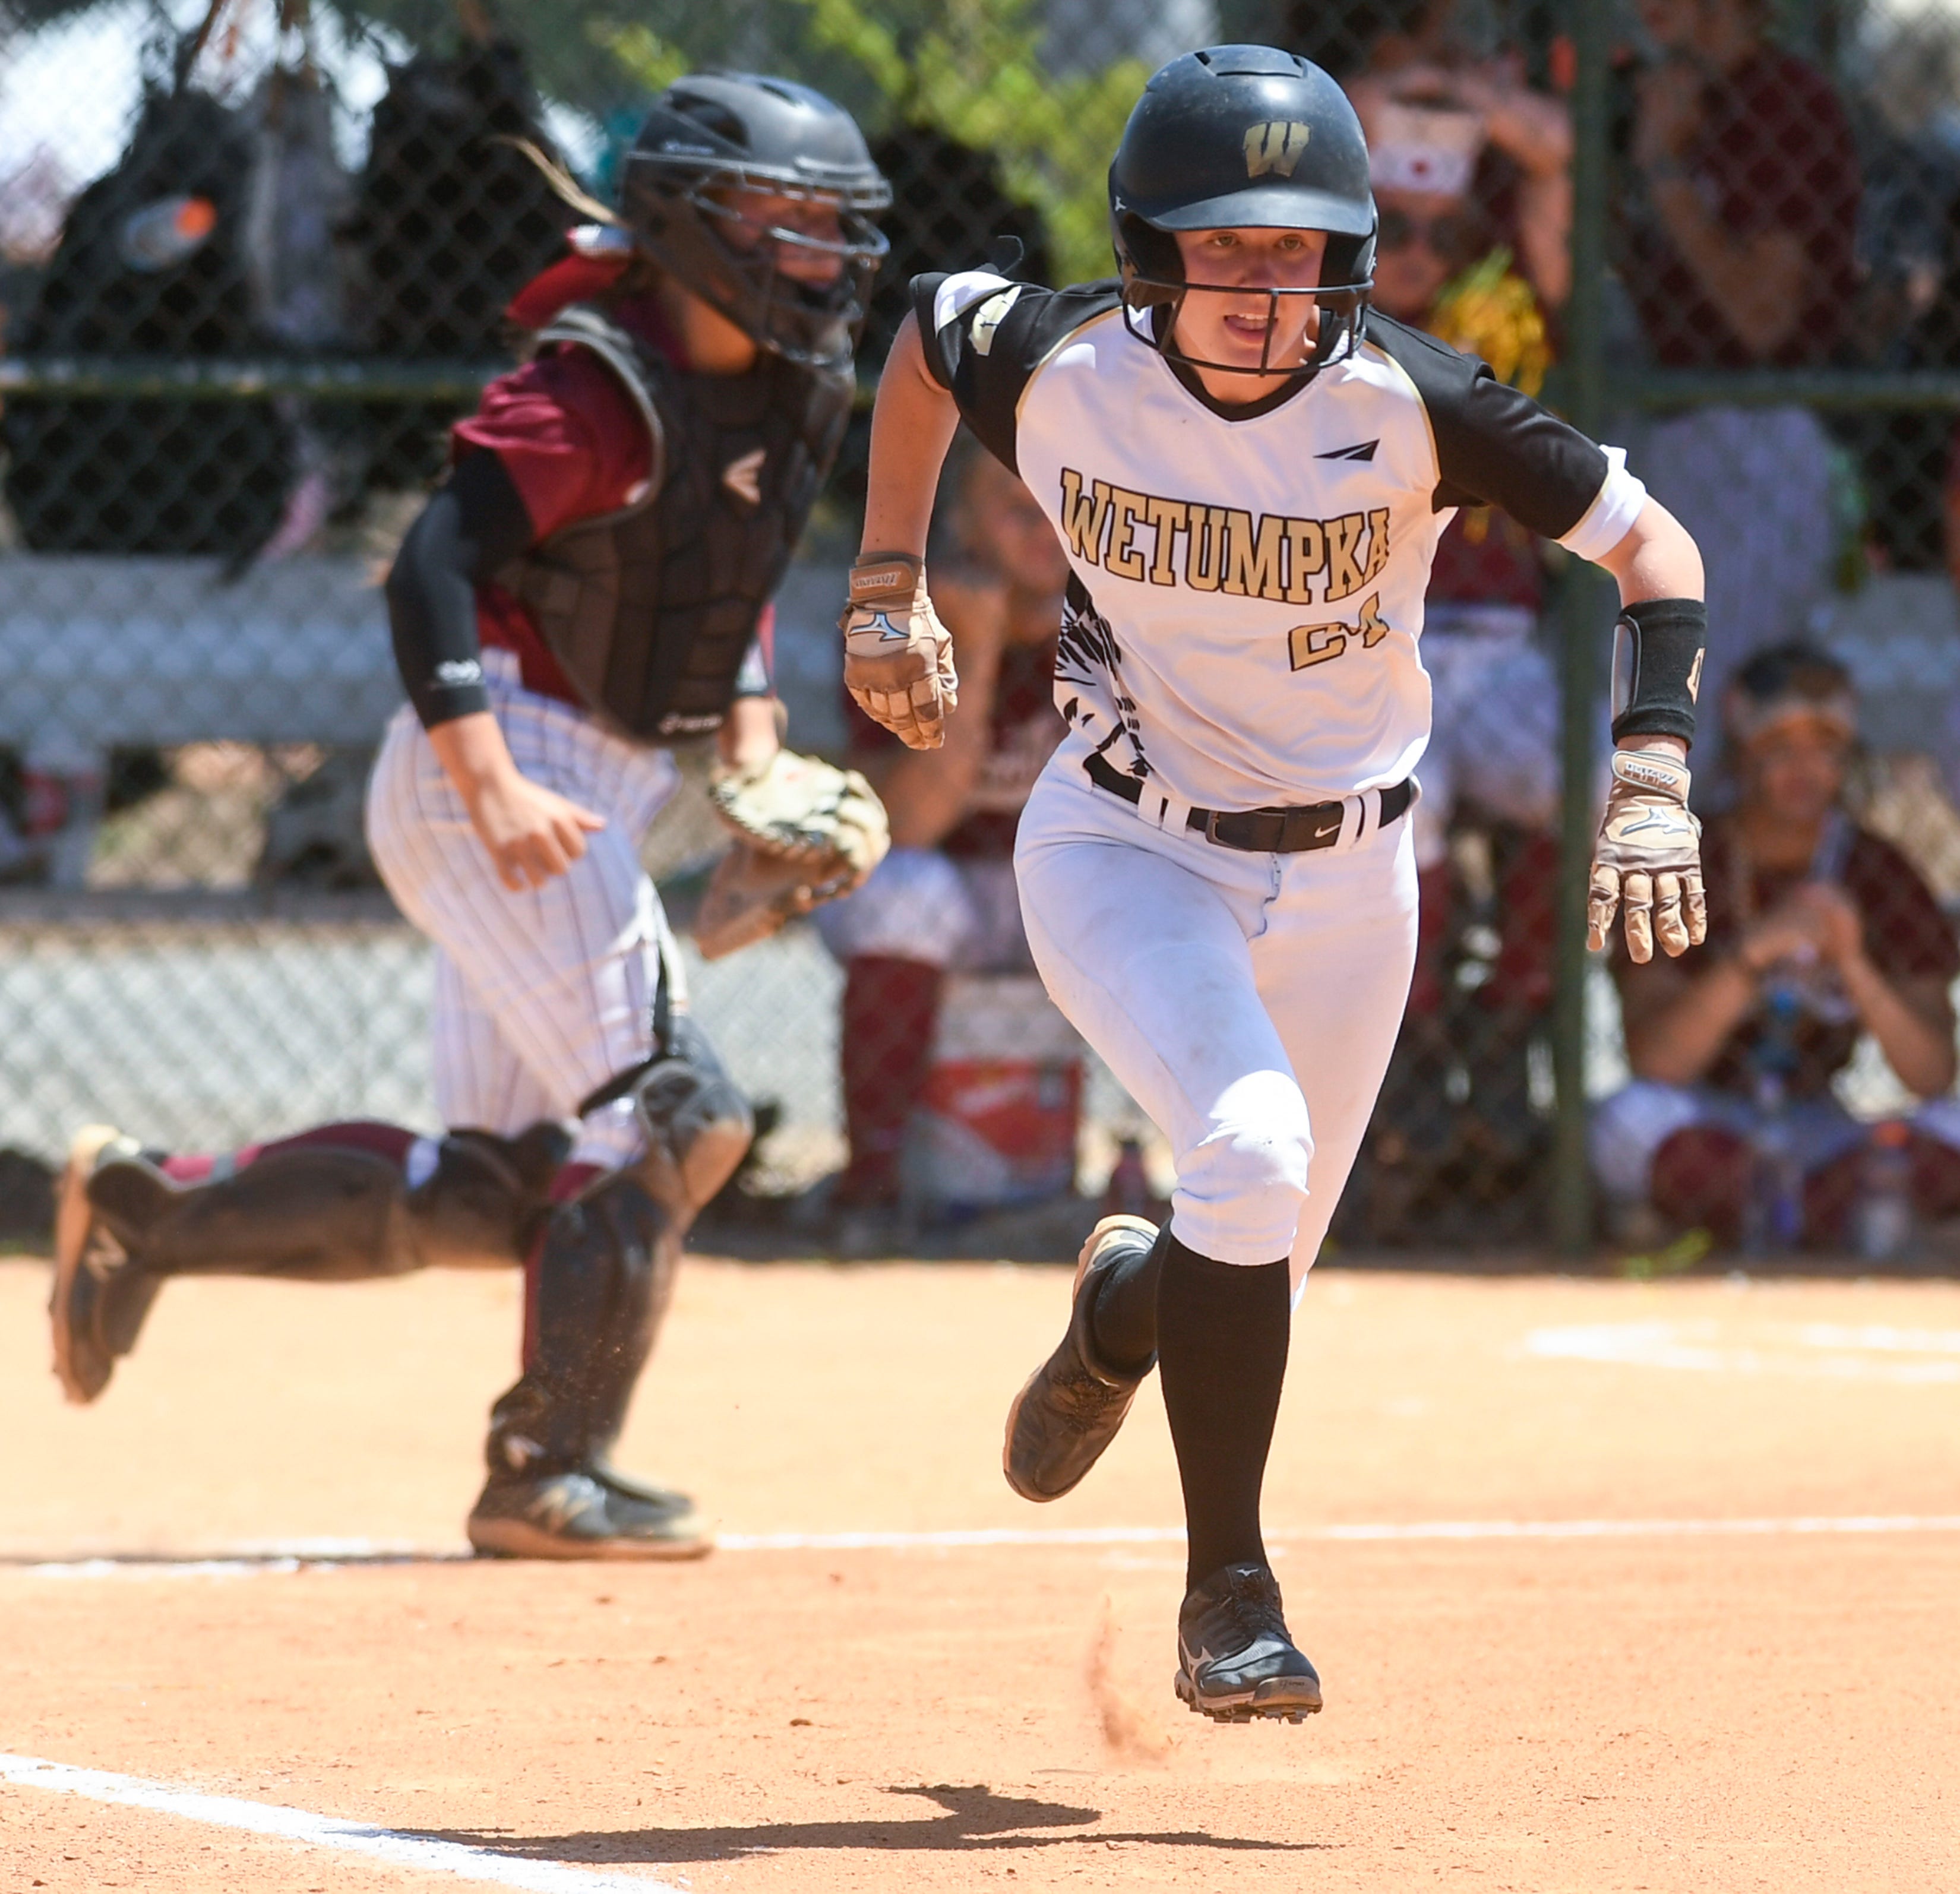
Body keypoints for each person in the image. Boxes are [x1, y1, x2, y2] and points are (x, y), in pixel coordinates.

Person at [842, 45, 1709, 1721]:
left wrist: (1654, 769)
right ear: (1143, 251)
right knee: (1244, 1150)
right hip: (1122, 841)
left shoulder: (1409, 401)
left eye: (1302, 247)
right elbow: (923, 332)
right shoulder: (1065, 361)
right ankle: (1228, 1595)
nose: (1265, 285)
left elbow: (1652, 550)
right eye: (1223, 247)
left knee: (1256, 1251)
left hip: (1350, 869)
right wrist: (890, 574)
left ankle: (1121, 1307)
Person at [47, 74, 893, 1561]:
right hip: (502, 768)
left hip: (595, 780)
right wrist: (491, 780)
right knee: (670, 1118)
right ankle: (543, 1465)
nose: (820, 257)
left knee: (498, 1185)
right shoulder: (594, 385)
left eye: (836, 230)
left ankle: (149, 1209)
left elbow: (722, 578)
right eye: (788, 224)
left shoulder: (773, 385)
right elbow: (431, 567)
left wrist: (754, 763)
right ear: (693, 229)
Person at [1595, 644, 1960, 1246]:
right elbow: (1658, 1061)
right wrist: (1751, 956)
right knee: (1626, 1121)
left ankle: (1780, 1216)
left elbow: (1930, 1074)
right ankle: (1827, 1221)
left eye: (1826, 750)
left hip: (1827, 1126)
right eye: (1781, 749)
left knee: (1948, 1126)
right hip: (1710, 1113)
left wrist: (1854, 964)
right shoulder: (1686, 859)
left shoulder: (1877, 869)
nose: (1805, 770)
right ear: (1743, 753)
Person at [814, 444, 1068, 1245]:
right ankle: (875, 1183)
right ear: (959, 522)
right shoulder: (895, 626)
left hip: (1059, 898)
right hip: (942, 888)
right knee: (905, 890)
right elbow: (907, 827)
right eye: (1014, 508)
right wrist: (980, 647)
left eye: (1059, 506)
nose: (1045, 531)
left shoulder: (1124, 626)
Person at [1617, 0, 1860, 769]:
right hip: (1661, 429)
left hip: (1755, 436)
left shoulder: (1781, 100)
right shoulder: (1659, 90)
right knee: (1634, 724)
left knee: (1722, 732)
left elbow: (1761, 316)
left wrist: (1663, 170)